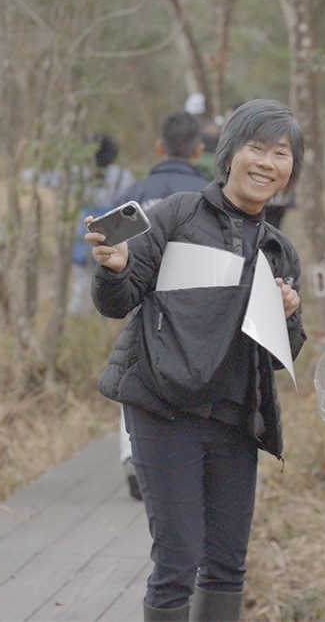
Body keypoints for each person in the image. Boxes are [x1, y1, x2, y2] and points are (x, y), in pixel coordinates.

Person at [86, 99, 307, 622]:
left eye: (281, 153)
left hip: (233, 419)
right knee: (178, 561)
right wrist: (115, 268)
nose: (266, 162)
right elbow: (116, 302)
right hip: (164, 410)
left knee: (228, 564)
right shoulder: (178, 214)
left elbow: (280, 356)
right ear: (228, 155)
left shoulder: (279, 249)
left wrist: (291, 315)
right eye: (256, 148)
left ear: (291, 169)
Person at [109, 111, 211, 502]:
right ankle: (195, 457)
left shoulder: (134, 195)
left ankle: (133, 458)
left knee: (133, 372)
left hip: (143, 305)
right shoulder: (210, 194)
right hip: (199, 312)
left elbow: (105, 245)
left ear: (159, 146)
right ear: (199, 150)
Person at [69, 133, 135, 314]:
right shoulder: (123, 176)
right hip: (110, 232)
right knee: (104, 280)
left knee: (80, 280)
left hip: (83, 231)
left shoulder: (80, 172)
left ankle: (77, 315)